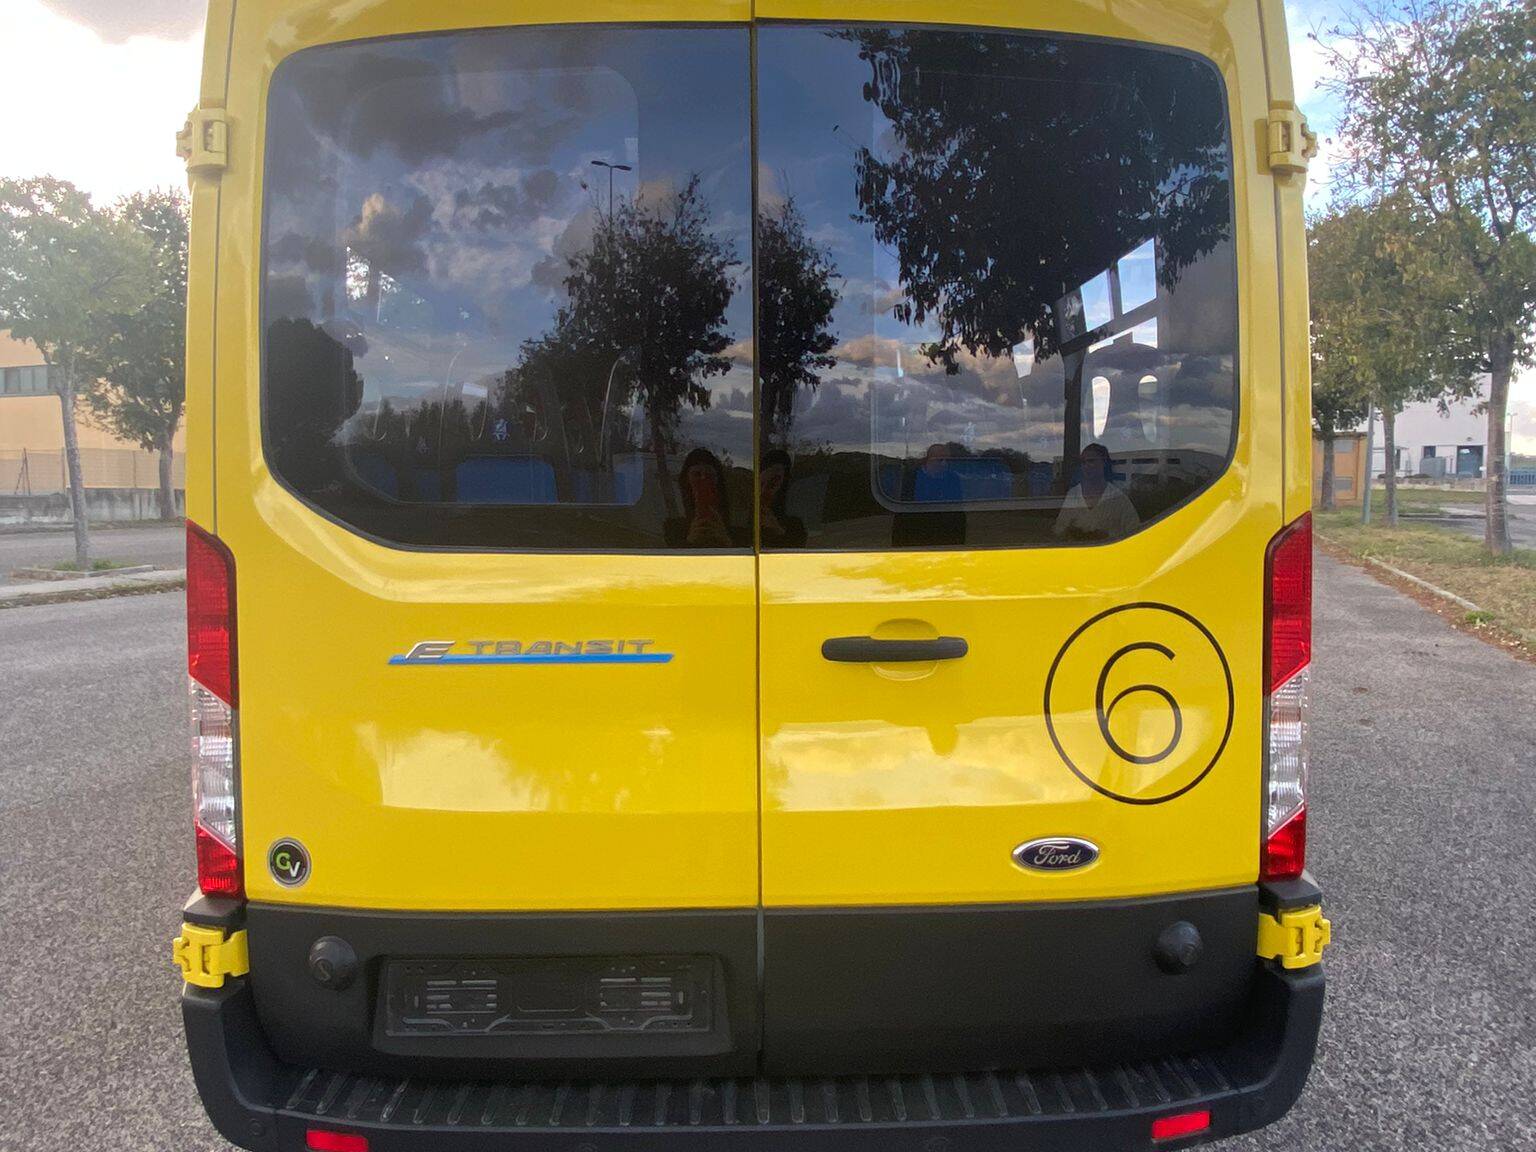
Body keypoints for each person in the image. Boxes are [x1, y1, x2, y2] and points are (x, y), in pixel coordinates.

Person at [1053, 442, 1140, 541]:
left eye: (1091, 461)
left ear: (1104, 463)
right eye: (1083, 462)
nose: (1086, 466)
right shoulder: (1073, 494)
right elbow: (1059, 530)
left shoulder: (1117, 497)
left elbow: (1135, 531)